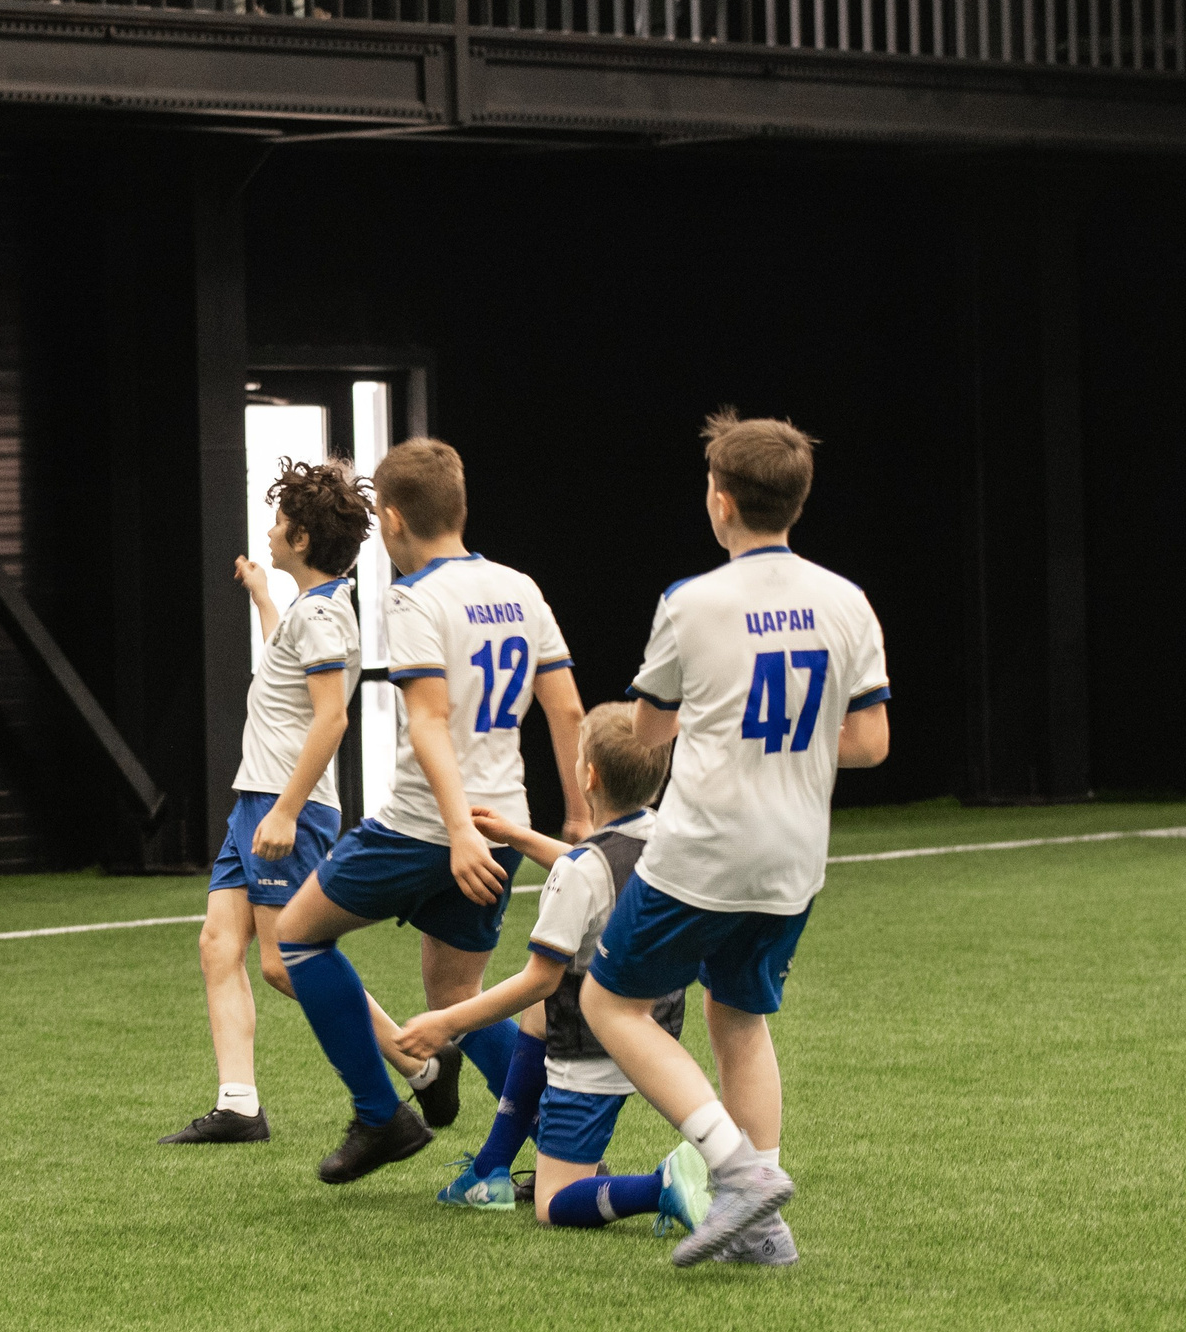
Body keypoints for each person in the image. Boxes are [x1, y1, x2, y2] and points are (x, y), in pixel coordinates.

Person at [580, 411, 890, 1267]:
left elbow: (646, 730)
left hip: (705, 848)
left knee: (612, 1002)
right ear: (798, 501)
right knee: (741, 1016)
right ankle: (764, 1226)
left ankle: (736, 1170)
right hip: (795, 855)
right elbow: (870, 743)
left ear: (720, 503)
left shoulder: (691, 601)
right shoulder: (846, 600)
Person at [273, 438, 589, 1186]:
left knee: (296, 940)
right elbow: (566, 706)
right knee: (456, 996)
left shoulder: (412, 598)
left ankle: (382, 1116)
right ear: (461, 506)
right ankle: (559, 1138)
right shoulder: (521, 585)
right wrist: (577, 816)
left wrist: (452, 831)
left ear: (389, 520)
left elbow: (428, 721)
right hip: (504, 823)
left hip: (425, 827)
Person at [165, 458, 434, 1143]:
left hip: (283, 805)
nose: (271, 529)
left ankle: (419, 1063)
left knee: (286, 962)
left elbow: (330, 719)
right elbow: (290, 678)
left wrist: (285, 809)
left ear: (303, 539)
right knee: (218, 943)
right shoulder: (311, 611)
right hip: (256, 798)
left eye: (281, 520)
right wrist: (260, 596)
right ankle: (238, 1105)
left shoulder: (321, 617)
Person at [394, 703, 712, 1240]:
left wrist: (446, 1023)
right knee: (549, 1005)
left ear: (587, 775)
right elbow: (600, 866)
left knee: (556, 1201)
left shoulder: (577, 874)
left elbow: (538, 978)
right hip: (657, 1024)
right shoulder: (663, 838)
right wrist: (519, 837)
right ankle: (489, 1172)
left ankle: (661, 1185)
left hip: (591, 1051)